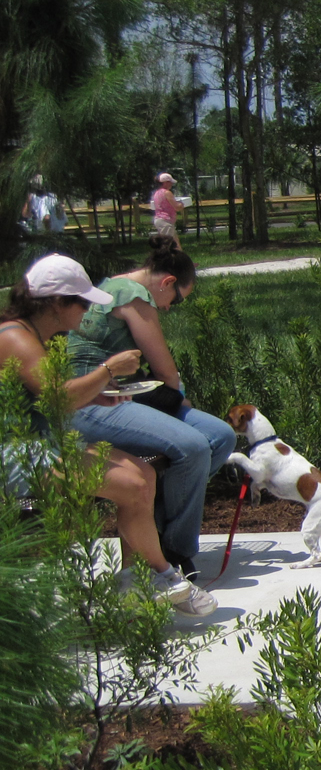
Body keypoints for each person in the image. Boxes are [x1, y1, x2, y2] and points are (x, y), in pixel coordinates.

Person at [0, 255, 215, 614]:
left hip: (40, 443)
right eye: (82, 302)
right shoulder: (16, 338)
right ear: (56, 303)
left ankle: (136, 581)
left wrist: (98, 392)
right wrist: (106, 370)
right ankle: (161, 576)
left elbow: (53, 395)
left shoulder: (32, 333)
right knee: (131, 486)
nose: (86, 311)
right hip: (15, 452)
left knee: (142, 475)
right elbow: (58, 398)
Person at [68, 239, 234, 579]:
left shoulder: (114, 284)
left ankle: (159, 522)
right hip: (90, 398)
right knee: (193, 446)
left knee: (221, 435)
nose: (171, 308)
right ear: (167, 282)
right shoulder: (133, 295)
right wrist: (181, 399)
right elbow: (165, 371)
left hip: (123, 393)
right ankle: (174, 552)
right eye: (176, 300)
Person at [149, 173, 182, 242]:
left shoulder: (157, 193)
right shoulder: (167, 193)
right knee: (169, 243)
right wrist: (181, 204)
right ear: (165, 183)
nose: (171, 185)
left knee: (176, 243)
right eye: (170, 182)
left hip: (159, 219)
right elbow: (176, 207)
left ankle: (179, 253)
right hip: (166, 220)